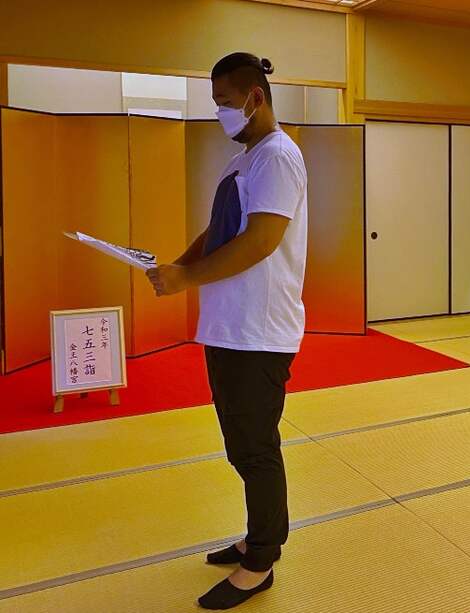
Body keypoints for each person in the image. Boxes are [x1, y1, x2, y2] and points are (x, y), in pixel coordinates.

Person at [146, 52, 308, 610]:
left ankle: (261, 558)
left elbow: (261, 241)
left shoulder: (278, 158)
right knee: (242, 445)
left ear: (253, 98)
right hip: (230, 326)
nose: (220, 114)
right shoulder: (245, 160)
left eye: (223, 103)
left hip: (259, 329)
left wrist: (188, 276)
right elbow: (219, 231)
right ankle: (256, 536)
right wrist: (178, 268)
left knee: (255, 448)